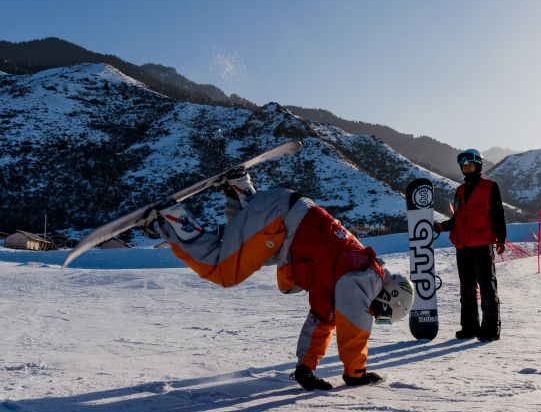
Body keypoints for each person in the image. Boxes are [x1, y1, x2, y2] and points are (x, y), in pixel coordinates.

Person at [144, 172, 414, 391]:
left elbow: (323, 321)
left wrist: (305, 368)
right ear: (388, 295)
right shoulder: (369, 278)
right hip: (280, 218)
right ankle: (170, 219)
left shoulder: (351, 277)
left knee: (247, 258)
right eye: (383, 314)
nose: (376, 317)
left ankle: (240, 193)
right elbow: (354, 325)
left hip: (284, 217)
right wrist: (355, 374)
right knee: (224, 271)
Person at [433, 149, 507, 341]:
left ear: (478, 166)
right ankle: (469, 328)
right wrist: (443, 226)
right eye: (464, 166)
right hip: (462, 246)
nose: (467, 169)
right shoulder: (459, 191)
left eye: (470, 165)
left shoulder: (490, 187)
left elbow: (498, 213)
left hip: (482, 245)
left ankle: (490, 330)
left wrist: (501, 239)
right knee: (466, 289)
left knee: (487, 288)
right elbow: (458, 218)